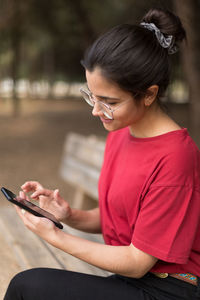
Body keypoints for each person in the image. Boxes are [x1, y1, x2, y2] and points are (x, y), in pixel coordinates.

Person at [4, 7, 200, 300]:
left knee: (26, 286)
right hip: (129, 280)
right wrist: (67, 215)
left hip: (167, 289)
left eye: (108, 101)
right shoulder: (121, 133)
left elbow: (137, 262)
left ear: (149, 94)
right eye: (92, 96)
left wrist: (55, 236)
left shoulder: (176, 157)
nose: (96, 110)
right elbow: (117, 217)